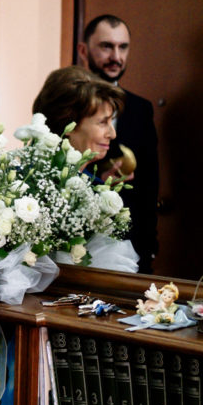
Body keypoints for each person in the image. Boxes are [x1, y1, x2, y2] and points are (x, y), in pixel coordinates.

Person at [78, 14, 160, 274]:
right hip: (77, 242)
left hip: (131, 244)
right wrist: (97, 179)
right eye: (106, 46)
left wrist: (148, 248)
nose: (116, 56)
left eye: (122, 47)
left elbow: (150, 183)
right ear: (83, 50)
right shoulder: (66, 104)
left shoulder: (140, 109)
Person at [32, 66, 126, 176]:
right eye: (103, 122)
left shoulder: (95, 186)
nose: (113, 134)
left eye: (111, 121)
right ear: (67, 123)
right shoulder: (26, 186)